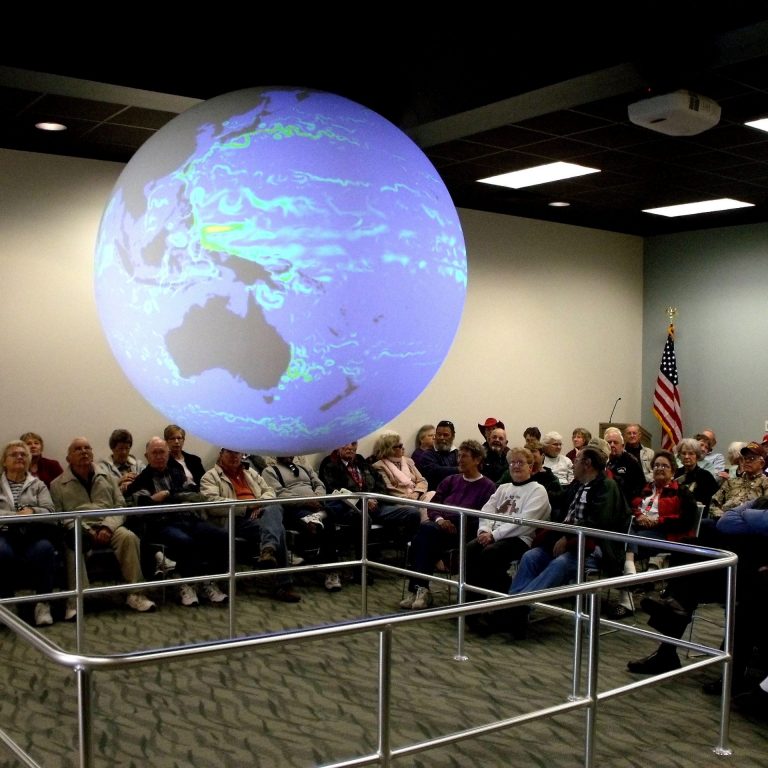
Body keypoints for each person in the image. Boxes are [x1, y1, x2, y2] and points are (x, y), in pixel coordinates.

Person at [507, 445, 630, 638]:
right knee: (531, 557)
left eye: (577, 460)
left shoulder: (607, 486)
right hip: (567, 539)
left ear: (587, 464)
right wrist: (531, 486)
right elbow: (559, 502)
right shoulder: (577, 484)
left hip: (594, 546)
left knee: (560, 564)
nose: (573, 464)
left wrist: (567, 537)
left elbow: (598, 523)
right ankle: (511, 605)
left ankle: (519, 607)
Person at [51, 437, 155, 617]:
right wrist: (86, 530)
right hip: (79, 527)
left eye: (87, 448)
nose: (84, 451)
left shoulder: (108, 478)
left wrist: (107, 527)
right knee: (72, 544)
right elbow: (59, 516)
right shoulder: (57, 484)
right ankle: (76, 600)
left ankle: (136, 594)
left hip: (109, 524)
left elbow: (120, 506)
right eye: (78, 449)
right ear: (68, 458)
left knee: (129, 537)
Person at [126, 437, 229, 607]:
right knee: (185, 541)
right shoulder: (141, 480)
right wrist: (175, 496)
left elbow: (195, 494)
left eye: (162, 452)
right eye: (155, 453)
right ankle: (185, 582)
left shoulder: (177, 472)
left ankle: (208, 580)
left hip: (188, 518)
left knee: (222, 536)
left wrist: (166, 495)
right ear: (147, 456)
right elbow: (144, 504)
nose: (159, 456)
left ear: (168, 454)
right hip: (161, 524)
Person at [400, 440, 496, 610]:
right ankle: (420, 589)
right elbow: (434, 505)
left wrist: (456, 522)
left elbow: (483, 516)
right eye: (459, 456)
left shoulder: (488, 487)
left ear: (477, 460)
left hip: (464, 532)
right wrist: (440, 520)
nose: (459, 460)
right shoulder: (450, 480)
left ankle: (418, 589)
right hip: (439, 527)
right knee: (425, 534)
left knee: (423, 536)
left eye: (464, 456)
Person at [200, 449, 300, 602]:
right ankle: (282, 582)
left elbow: (269, 491)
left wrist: (259, 505)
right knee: (278, 529)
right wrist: (247, 507)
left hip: (260, 514)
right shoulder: (210, 476)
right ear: (221, 454)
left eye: (237, 453)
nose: (234, 456)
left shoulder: (250, 472)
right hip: (235, 519)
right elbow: (212, 504)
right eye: (230, 453)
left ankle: (268, 552)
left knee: (274, 508)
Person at [608, 449, 697, 619]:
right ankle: (630, 578)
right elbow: (630, 507)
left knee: (619, 546)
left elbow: (686, 520)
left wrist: (658, 521)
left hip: (666, 535)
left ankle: (626, 596)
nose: (659, 468)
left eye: (664, 466)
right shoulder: (645, 489)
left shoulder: (682, 492)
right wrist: (639, 516)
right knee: (625, 531)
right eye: (656, 465)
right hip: (639, 530)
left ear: (673, 470)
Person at [465, 446, 551, 611]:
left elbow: (525, 521)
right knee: (470, 549)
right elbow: (487, 510)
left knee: (490, 554)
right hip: (493, 535)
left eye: (521, 462)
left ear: (530, 467)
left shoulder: (538, 490)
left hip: (520, 538)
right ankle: (471, 606)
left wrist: (494, 535)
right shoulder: (503, 488)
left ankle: (500, 606)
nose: (516, 466)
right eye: (513, 462)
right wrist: (484, 530)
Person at [261, 456, 341, 592]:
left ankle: (330, 570)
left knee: (329, 520)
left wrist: (317, 498)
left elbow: (319, 484)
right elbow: (278, 493)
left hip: (316, 505)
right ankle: (327, 565)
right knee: (324, 520)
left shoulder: (304, 468)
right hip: (293, 508)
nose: (289, 454)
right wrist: (305, 501)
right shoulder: (270, 471)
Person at [0, 441, 58, 626]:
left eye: (23, 454)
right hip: (4, 534)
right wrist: (15, 516)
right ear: (4, 461)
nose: (19, 457)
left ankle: (43, 604)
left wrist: (32, 511)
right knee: (1, 551)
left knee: (45, 549)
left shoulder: (38, 485)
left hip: (32, 534)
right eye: (14, 454)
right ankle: (7, 602)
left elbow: (50, 511)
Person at [371, 432, 430, 534]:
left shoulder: (408, 461)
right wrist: (408, 498)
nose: (403, 448)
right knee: (412, 509)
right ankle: (421, 533)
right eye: (398, 446)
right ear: (389, 449)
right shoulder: (379, 466)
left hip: (416, 495)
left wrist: (416, 493)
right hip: (400, 500)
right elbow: (389, 488)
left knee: (432, 494)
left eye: (402, 445)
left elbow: (422, 480)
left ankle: (425, 529)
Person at [709, 441, 768, 517]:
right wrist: (721, 516)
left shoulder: (765, 482)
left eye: (752, 458)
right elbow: (713, 503)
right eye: (745, 458)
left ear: (761, 463)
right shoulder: (730, 482)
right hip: (724, 518)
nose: (747, 461)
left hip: (749, 519)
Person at [673, 437, 719, 512]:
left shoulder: (706, 476)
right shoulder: (675, 473)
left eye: (691, 453)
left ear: (697, 456)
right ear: (679, 456)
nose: (686, 457)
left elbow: (712, 502)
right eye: (683, 453)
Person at [603, 427, 646, 504]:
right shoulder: (600, 461)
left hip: (624, 503)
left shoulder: (631, 461)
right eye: (609, 442)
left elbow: (640, 487)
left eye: (615, 442)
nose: (612, 445)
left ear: (622, 446)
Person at [413, 420, 459, 490]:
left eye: (445, 435)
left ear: (453, 436)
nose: (441, 437)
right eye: (439, 434)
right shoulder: (427, 455)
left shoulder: (457, 453)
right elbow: (436, 471)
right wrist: (459, 469)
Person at [99, 428, 146, 494]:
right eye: (120, 448)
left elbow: (149, 483)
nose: (124, 452)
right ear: (112, 448)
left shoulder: (138, 465)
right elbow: (102, 489)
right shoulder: (103, 467)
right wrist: (119, 481)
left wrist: (136, 482)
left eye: (127, 448)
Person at [163, 424, 205, 490]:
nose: (176, 441)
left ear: (183, 440)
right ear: (166, 441)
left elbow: (204, 482)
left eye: (179, 438)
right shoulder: (163, 462)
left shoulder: (195, 460)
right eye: (172, 438)